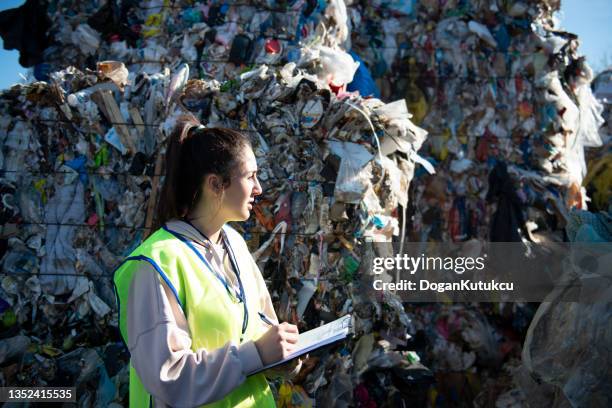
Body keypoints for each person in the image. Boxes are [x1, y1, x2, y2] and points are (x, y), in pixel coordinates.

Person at [114, 118, 301, 407]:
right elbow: (170, 377)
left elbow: (259, 330)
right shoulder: (155, 264)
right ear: (215, 184)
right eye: (250, 176)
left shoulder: (235, 245)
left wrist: (282, 355)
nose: (259, 188)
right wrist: (257, 355)